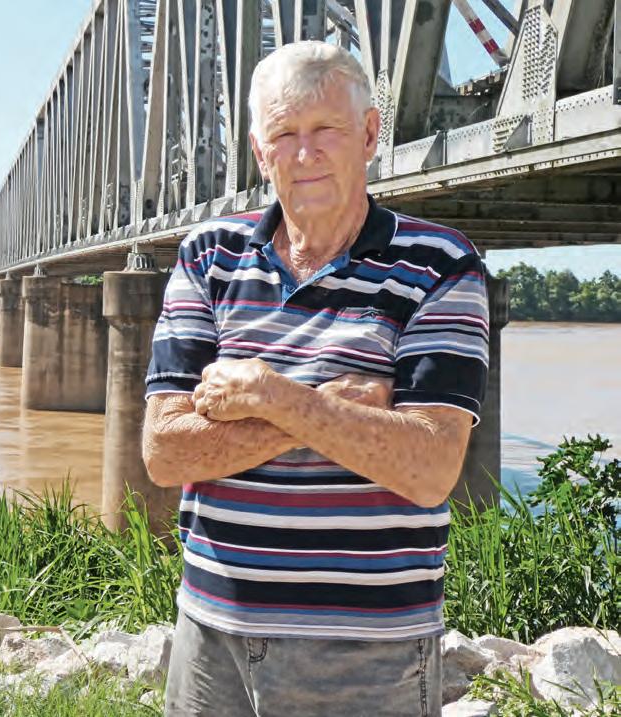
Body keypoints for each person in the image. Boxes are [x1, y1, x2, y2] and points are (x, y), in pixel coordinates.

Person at [142, 41, 490, 717]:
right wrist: (326, 408)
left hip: (366, 653)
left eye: (326, 129)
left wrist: (270, 395)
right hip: (209, 636)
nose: (305, 154)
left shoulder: (441, 264)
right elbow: (165, 452)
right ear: (259, 151)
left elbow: (428, 468)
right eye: (284, 134)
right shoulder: (208, 256)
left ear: (369, 134)